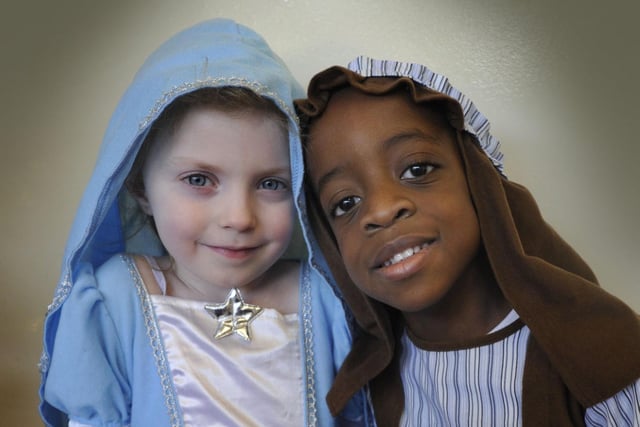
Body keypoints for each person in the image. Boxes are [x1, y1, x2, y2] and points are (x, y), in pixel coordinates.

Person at [38, 20, 370, 427]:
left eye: (271, 183)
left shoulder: (325, 297)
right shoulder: (114, 299)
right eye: (199, 180)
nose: (239, 218)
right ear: (140, 187)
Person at [295, 55, 640, 426]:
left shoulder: (604, 358)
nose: (380, 211)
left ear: (481, 184)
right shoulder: (369, 383)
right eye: (346, 203)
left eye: (417, 169)